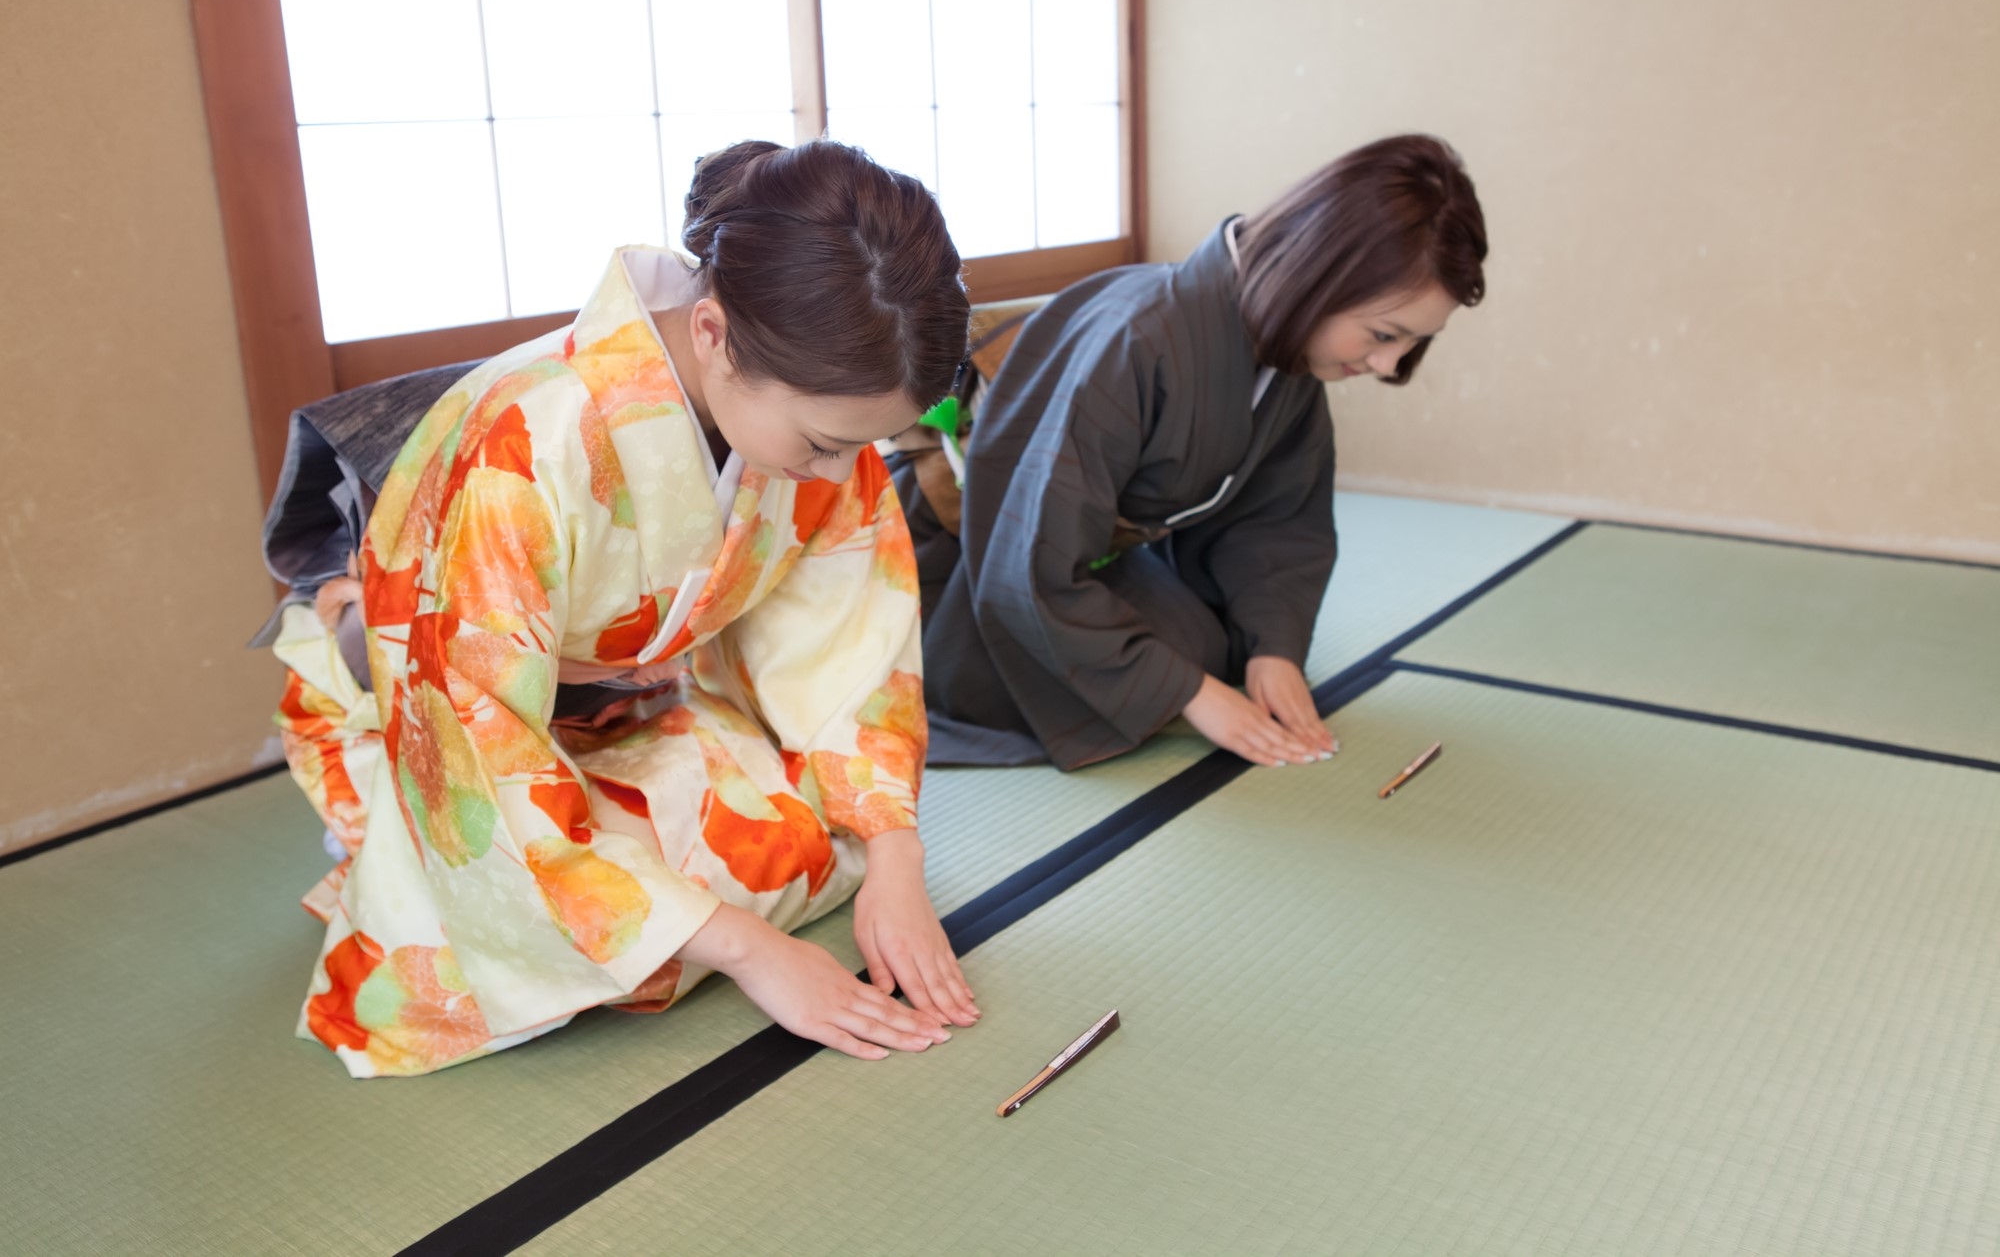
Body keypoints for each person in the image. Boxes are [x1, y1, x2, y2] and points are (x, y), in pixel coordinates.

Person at [265, 139, 980, 1077]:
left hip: (624, 700)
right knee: (488, 956)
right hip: (432, 725)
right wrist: (754, 953)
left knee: (814, 839)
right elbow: (472, 736)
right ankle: (374, 835)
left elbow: (847, 651)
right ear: (715, 333)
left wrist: (897, 857)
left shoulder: (816, 427)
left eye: (867, 445)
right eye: (820, 443)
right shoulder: (522, 442)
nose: (843, 477)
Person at [898, 134, 1487, 772]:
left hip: (1071, 549)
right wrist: (1192, 696)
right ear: (1318, 275)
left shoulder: (1283, 353)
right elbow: (1026, 558)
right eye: (1383, 334)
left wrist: (1275, 651)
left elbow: (1278, 519)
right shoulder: (1136, 339)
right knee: (1162, 673)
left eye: (1413, 343)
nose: (1388, 363)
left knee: (1219, 645)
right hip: (956, 554)